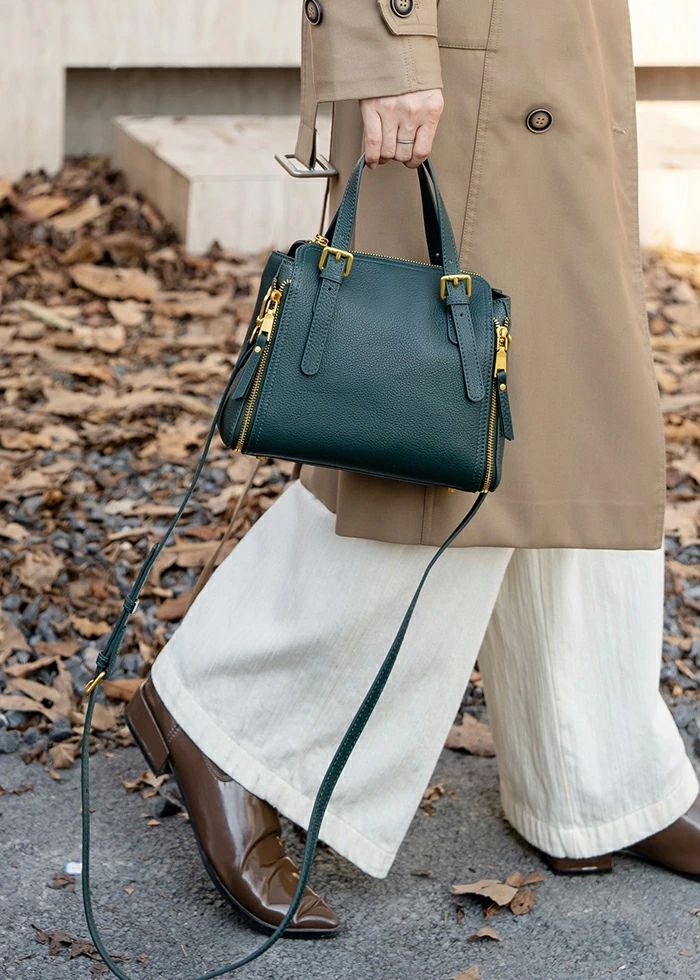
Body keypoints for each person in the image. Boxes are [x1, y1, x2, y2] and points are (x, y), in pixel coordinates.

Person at [124, 0, 700, 936]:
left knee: (575, 415)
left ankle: (598, 774)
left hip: (566, 40)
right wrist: (386, 47)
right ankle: (231, 717)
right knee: (430, 431)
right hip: (464, 54)